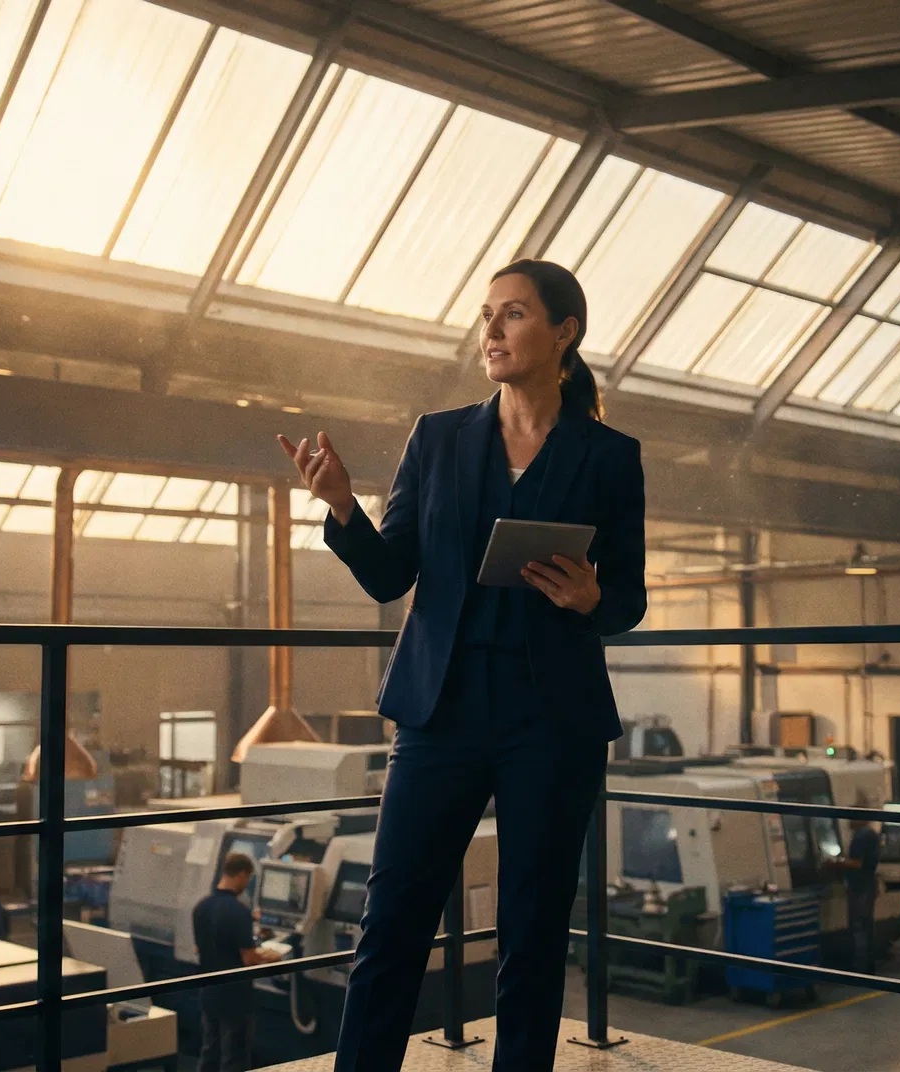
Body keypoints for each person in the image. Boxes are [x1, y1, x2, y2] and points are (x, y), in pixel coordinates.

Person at [278, 260, 646, 1072]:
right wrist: (342, 506)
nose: (492, 331)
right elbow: (389, 575)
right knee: (393, 923)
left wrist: (593, 598)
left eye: (513, 315)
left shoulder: (611, 457)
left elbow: (630, 598)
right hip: (439, 711)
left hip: (552, 720)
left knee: (533, 930)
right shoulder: (438, 438)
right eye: (488, 315)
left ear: (564, 333)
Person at [192, 853, 284, 1072]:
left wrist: (248, 923)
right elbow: (249, 959)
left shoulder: (201, 907)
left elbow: (199, 948)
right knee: (234, 1057)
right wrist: (270, 955)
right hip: (235, 996)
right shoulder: (239, 912)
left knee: (209, 1052)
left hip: (209, 992)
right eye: (248, 878)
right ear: (242, 875)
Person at [831, 817, 881, 973]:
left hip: (859, 887)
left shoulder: (860, 837)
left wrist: (836, 863)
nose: (848, 822)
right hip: (869, 884)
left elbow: (857, 863)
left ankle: (860, 968)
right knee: (867, 927)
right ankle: (869, 966)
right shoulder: (872, 834)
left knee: (858, 927)